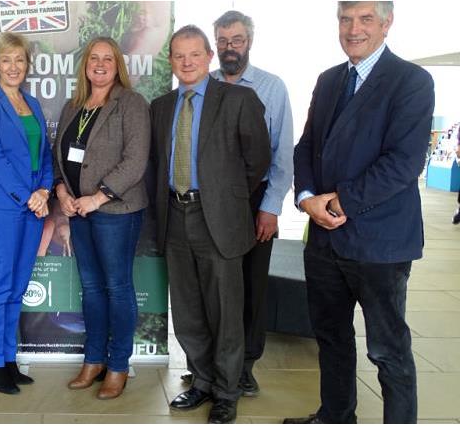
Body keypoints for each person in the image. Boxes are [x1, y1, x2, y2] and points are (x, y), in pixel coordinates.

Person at [285, 2, 434, 423]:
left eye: (366, 19)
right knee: (331, 338)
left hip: (380, 245)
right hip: (325, 240)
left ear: (386, 24)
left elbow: (403, 163)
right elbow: (306, 147)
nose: (354, 29)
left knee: (388, 350)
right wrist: (307, 196)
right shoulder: (329, 80)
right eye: (346, 19)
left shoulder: (411, 81)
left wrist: (337, 202)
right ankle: (336, 414)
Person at [149, 25, 270, 424]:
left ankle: (226, 390)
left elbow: (257, 162)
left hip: (218, 218)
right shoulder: (161, 106)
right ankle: (201, 382)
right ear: (171, 60)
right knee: (188, 310)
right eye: (179, 56)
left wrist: (224, 196)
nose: (187, 62)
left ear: (208, 57)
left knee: (225, 310)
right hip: (174, 215)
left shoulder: (238, 99)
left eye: (195, 55)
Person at [198, 10, 294, 397]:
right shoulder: (204, 84)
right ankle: (209, 365)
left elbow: (282, 154)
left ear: (249, 41)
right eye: (221, 41)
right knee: (213, 285)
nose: (229, 48)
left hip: (255, 198)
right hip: (210, 198)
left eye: (236, 40)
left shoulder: (272, 87)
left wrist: (269, 208)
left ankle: (245, 366)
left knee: (251, 288)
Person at [54, 37, 150, 400]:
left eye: (107, 58)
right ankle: (93, 360)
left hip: (115, 212)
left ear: (118, 64)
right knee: (91, 288)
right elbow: (58, 155)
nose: (99, 64)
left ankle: (118, 366)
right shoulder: (73, 105)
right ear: (85, 64)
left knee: (116, 288)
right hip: (77, 211)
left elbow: (136, 160)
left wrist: (97, 197)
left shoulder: (131, 104)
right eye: (93, 58)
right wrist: (63, 192)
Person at [0, 32, 53, 395]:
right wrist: (28, 195)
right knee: (0, 286)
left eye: (19, 59)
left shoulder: (32, 103)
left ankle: (8, 358)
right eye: (6, 60)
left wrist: (45, 191)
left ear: (27, 64)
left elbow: (45, 155)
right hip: (4, 206)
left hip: (35, 206)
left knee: (18, 287)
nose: (13, 66)